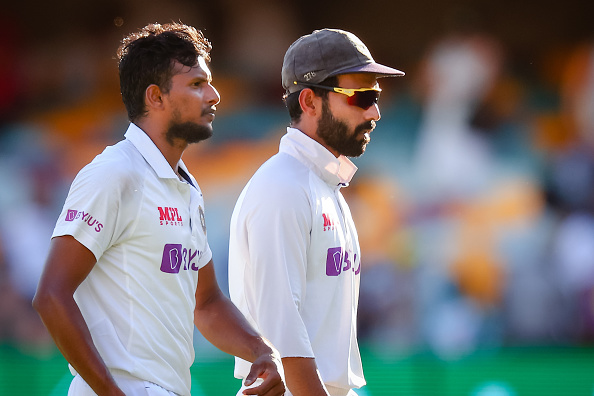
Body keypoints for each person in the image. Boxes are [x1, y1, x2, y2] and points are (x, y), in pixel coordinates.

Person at [33, 22, 285, 396]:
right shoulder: (113, 173)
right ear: (155, 97)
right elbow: (51, 296)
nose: (214, 95)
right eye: (197, 84)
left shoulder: (187, 188)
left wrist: (261, 352)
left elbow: (208, 302)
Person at [228, 28, 404, 396]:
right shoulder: (283, 187)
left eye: (377, 96)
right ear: (309, 101)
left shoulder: (323, 186)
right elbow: (282, 334)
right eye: (361, 96)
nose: (375, 111)